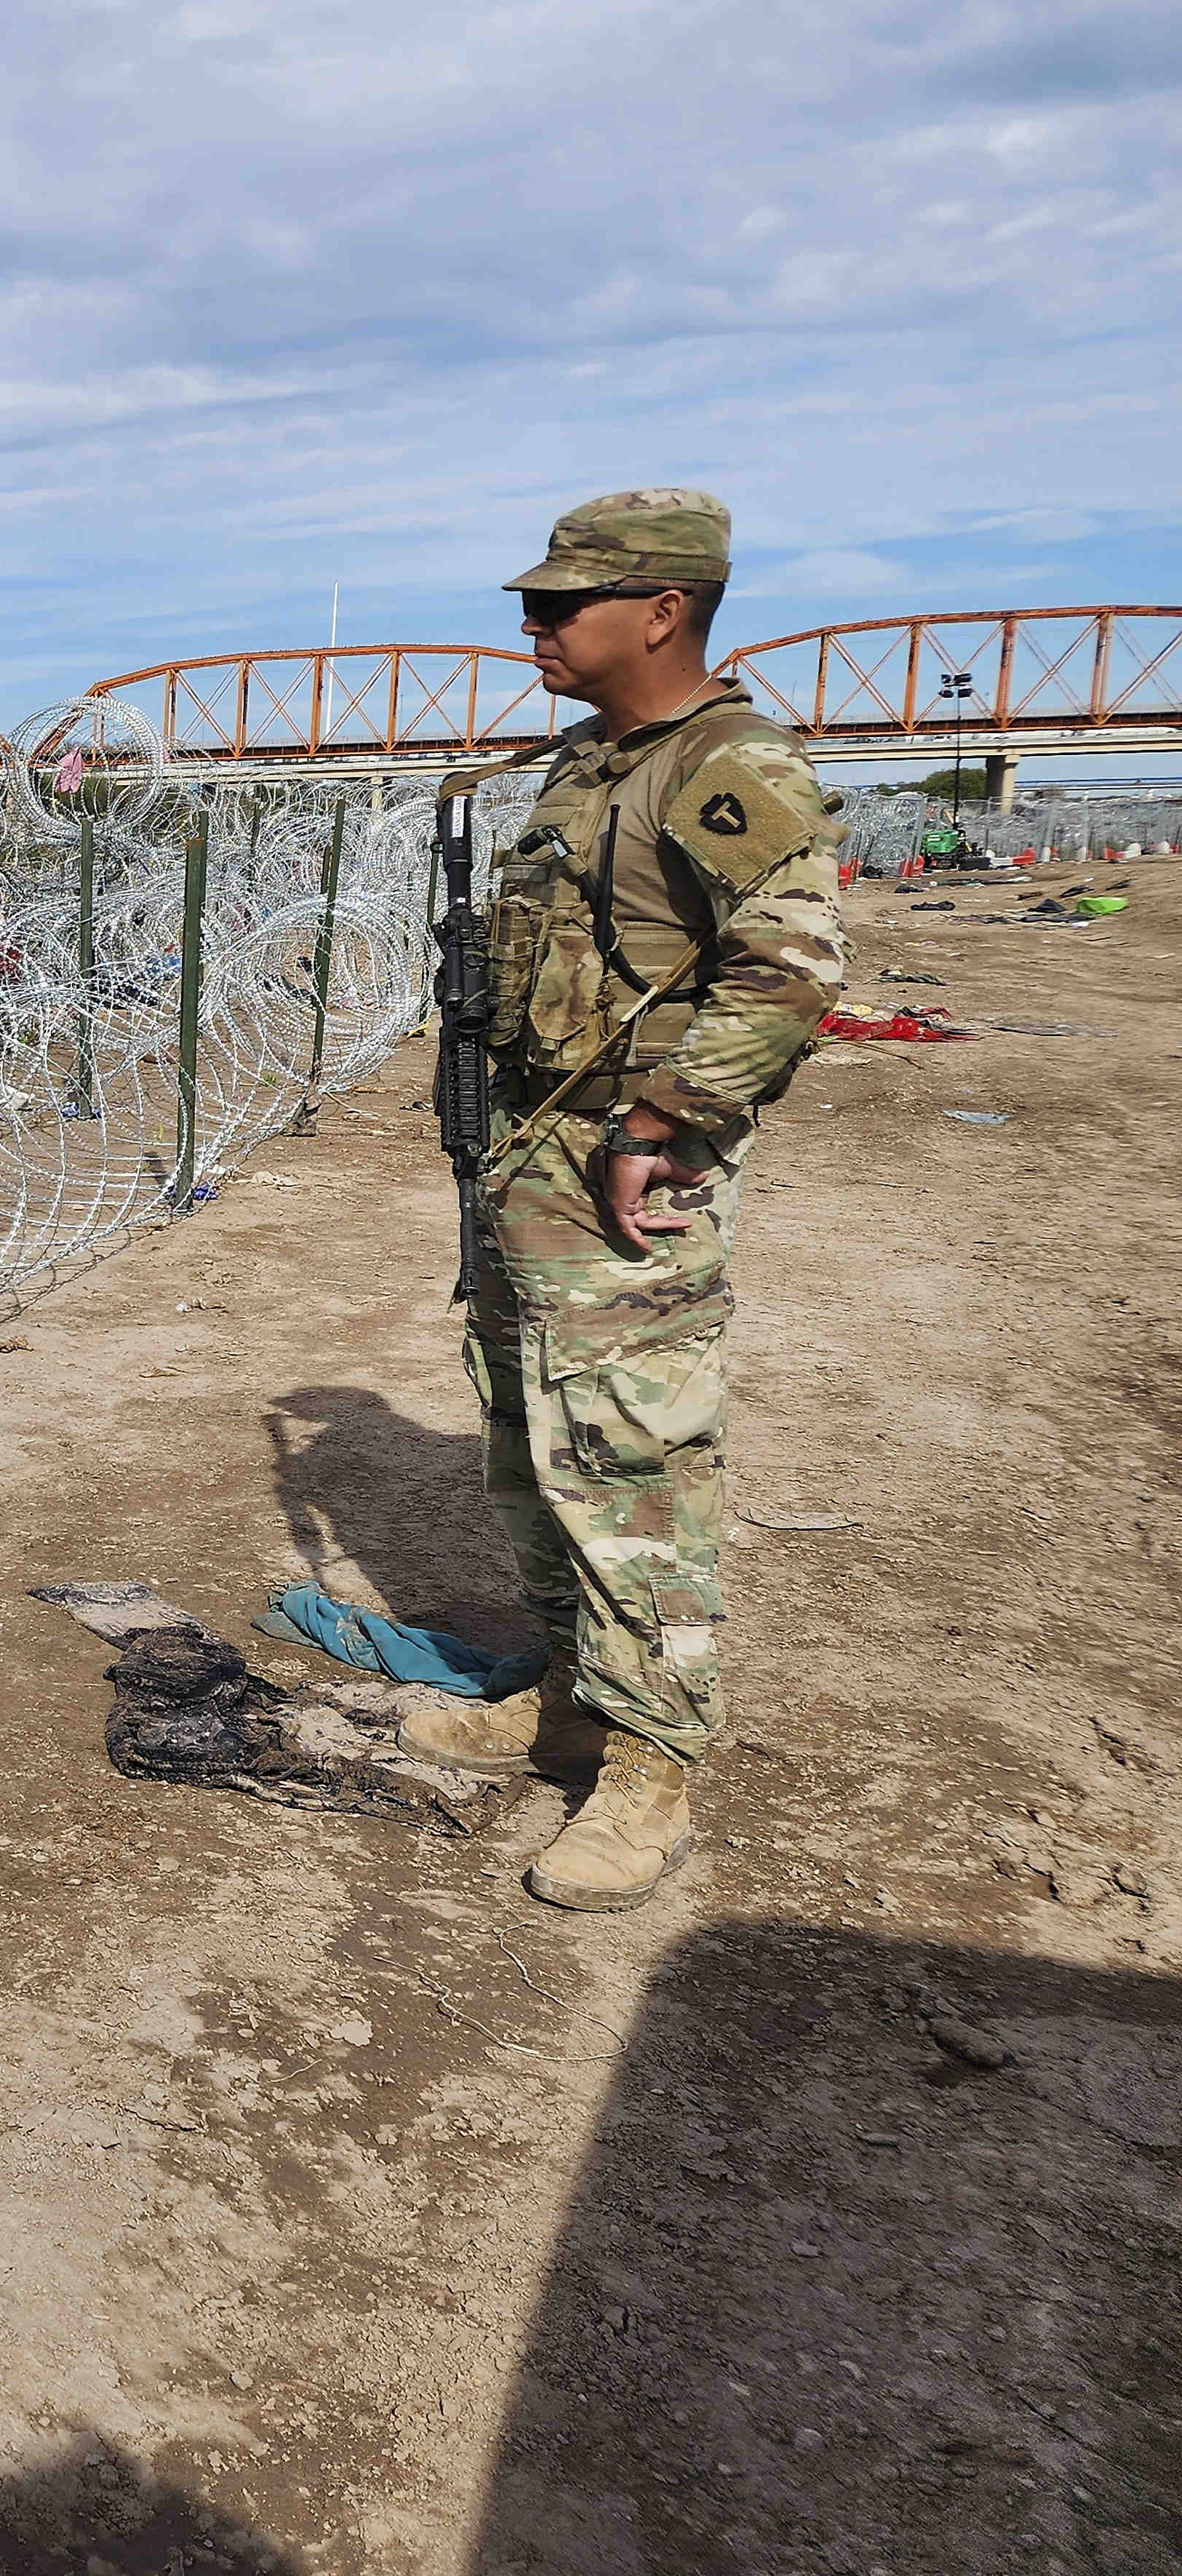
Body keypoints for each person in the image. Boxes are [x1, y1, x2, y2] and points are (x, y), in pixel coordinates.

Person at [403, 490, 846, 1912]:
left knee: (631, 1458)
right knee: (529, 1436)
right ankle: (571, 1698)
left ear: (662, 609)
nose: (529, 626)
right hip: (528, 1147)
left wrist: (663, 1122)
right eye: (530, 604)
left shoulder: (725, 765)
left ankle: (651, 1768)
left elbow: (788, 968)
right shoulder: (586, 765)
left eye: (558, 604)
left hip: (619, 1161)